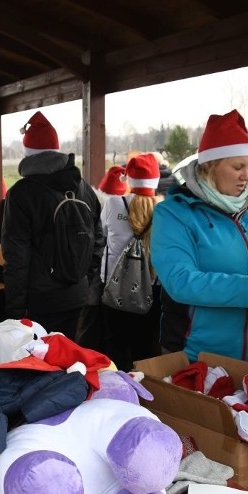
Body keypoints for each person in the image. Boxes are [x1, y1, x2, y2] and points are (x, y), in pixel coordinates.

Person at [151, 109, 248, 364]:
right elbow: (180, 280)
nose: (247, 175)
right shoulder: (175, 214)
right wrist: (247, 287)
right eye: (238, 167)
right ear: (209, 166)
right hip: (195, 356)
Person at [1, 111, 104, 338]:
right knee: (70, 361)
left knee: (39, 365)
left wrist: (15, 314)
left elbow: (16, 257)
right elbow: (98, 240)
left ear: (28, 154)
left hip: (40, 301)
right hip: (77, 297)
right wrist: (83, 279)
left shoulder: (21, 194)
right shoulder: (83, 188)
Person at [99, 154, 164, 370]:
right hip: (151, 289)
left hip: (114, 287)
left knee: (116, 345)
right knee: (146, 346)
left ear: (130, 179)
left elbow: (102, 233)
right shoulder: (163, 209)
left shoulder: (114, 203)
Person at [76, 165, 127, 352]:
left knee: (88, 326)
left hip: (92, 281)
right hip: (120, 286)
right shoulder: (125, 210)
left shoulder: (92, 204)